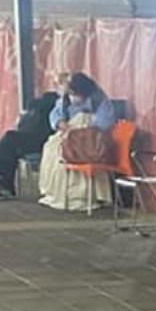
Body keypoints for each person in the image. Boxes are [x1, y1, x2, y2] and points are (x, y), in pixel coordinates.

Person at [37, 72, 117, 211]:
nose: (73, 96)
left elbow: (105, 121)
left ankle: (83, 195)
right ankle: (58, 192)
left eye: (76, 93)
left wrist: (84, 125)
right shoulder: (66, 98)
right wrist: (60, 122)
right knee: (51, 149)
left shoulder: (99, 99)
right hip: (68, 132)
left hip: (89, 138)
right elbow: (55, 113)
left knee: (75, 151)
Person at [0, 91, 59, 200]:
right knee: (10, 149)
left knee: (9, 140)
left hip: (42, 142)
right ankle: (3, 181)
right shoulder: (48, 108)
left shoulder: (52, 109)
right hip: (34, 139)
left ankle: (2, 178)